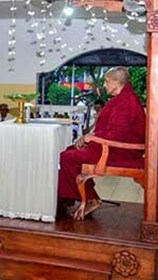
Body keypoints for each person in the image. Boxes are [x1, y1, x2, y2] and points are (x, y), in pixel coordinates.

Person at [58, 67, 146, 220]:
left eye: (107, 81)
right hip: (112, 145)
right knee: (70, 150)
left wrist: (91, 138)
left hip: (121, 151)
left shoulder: (126, 102)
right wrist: (91, 138)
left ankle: (90, 199)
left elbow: (118, 133)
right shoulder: (124, 98)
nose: (104, 85)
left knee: (67, 157)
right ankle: (69, 197)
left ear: (116, 83)